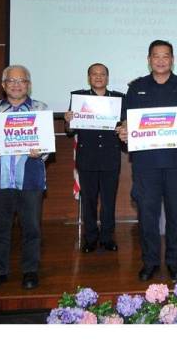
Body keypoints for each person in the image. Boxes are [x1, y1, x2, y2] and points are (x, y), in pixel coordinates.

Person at [119, 40, 177, 282]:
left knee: (176, 214)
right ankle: (150, 262)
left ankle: (175, 262)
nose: (161, 60)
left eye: (166, 56)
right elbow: (126, 120)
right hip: (146, 165)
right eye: (156, 56)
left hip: (176, 163)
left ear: (172, 59)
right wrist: (123, 130)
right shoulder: (136, 88)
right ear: (149, 59)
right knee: (147, 215)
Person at [0, 65, 49, 291]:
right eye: (12, 81)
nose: (17, 85)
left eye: (22, 81)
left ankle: (30, 271)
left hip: (30, 181)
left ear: (28, 84)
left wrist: (41, 150)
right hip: (0, 180)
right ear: (4, 85)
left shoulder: (40, 108)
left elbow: (46, 148)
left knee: (32, 229)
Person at [64, 63, 125, 253]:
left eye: (102, 74)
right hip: (87, 157)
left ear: (107, 77)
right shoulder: (79, 98)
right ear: (88, 77)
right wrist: (68, 121)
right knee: (88, 200)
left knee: (108, 201)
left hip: (110, 157)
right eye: (94, 74)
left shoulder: (119, 98)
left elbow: (125, 124)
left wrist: (123, 126)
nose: (98, 77)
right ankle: (90, 238)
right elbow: (69, 130)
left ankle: (107, 237)